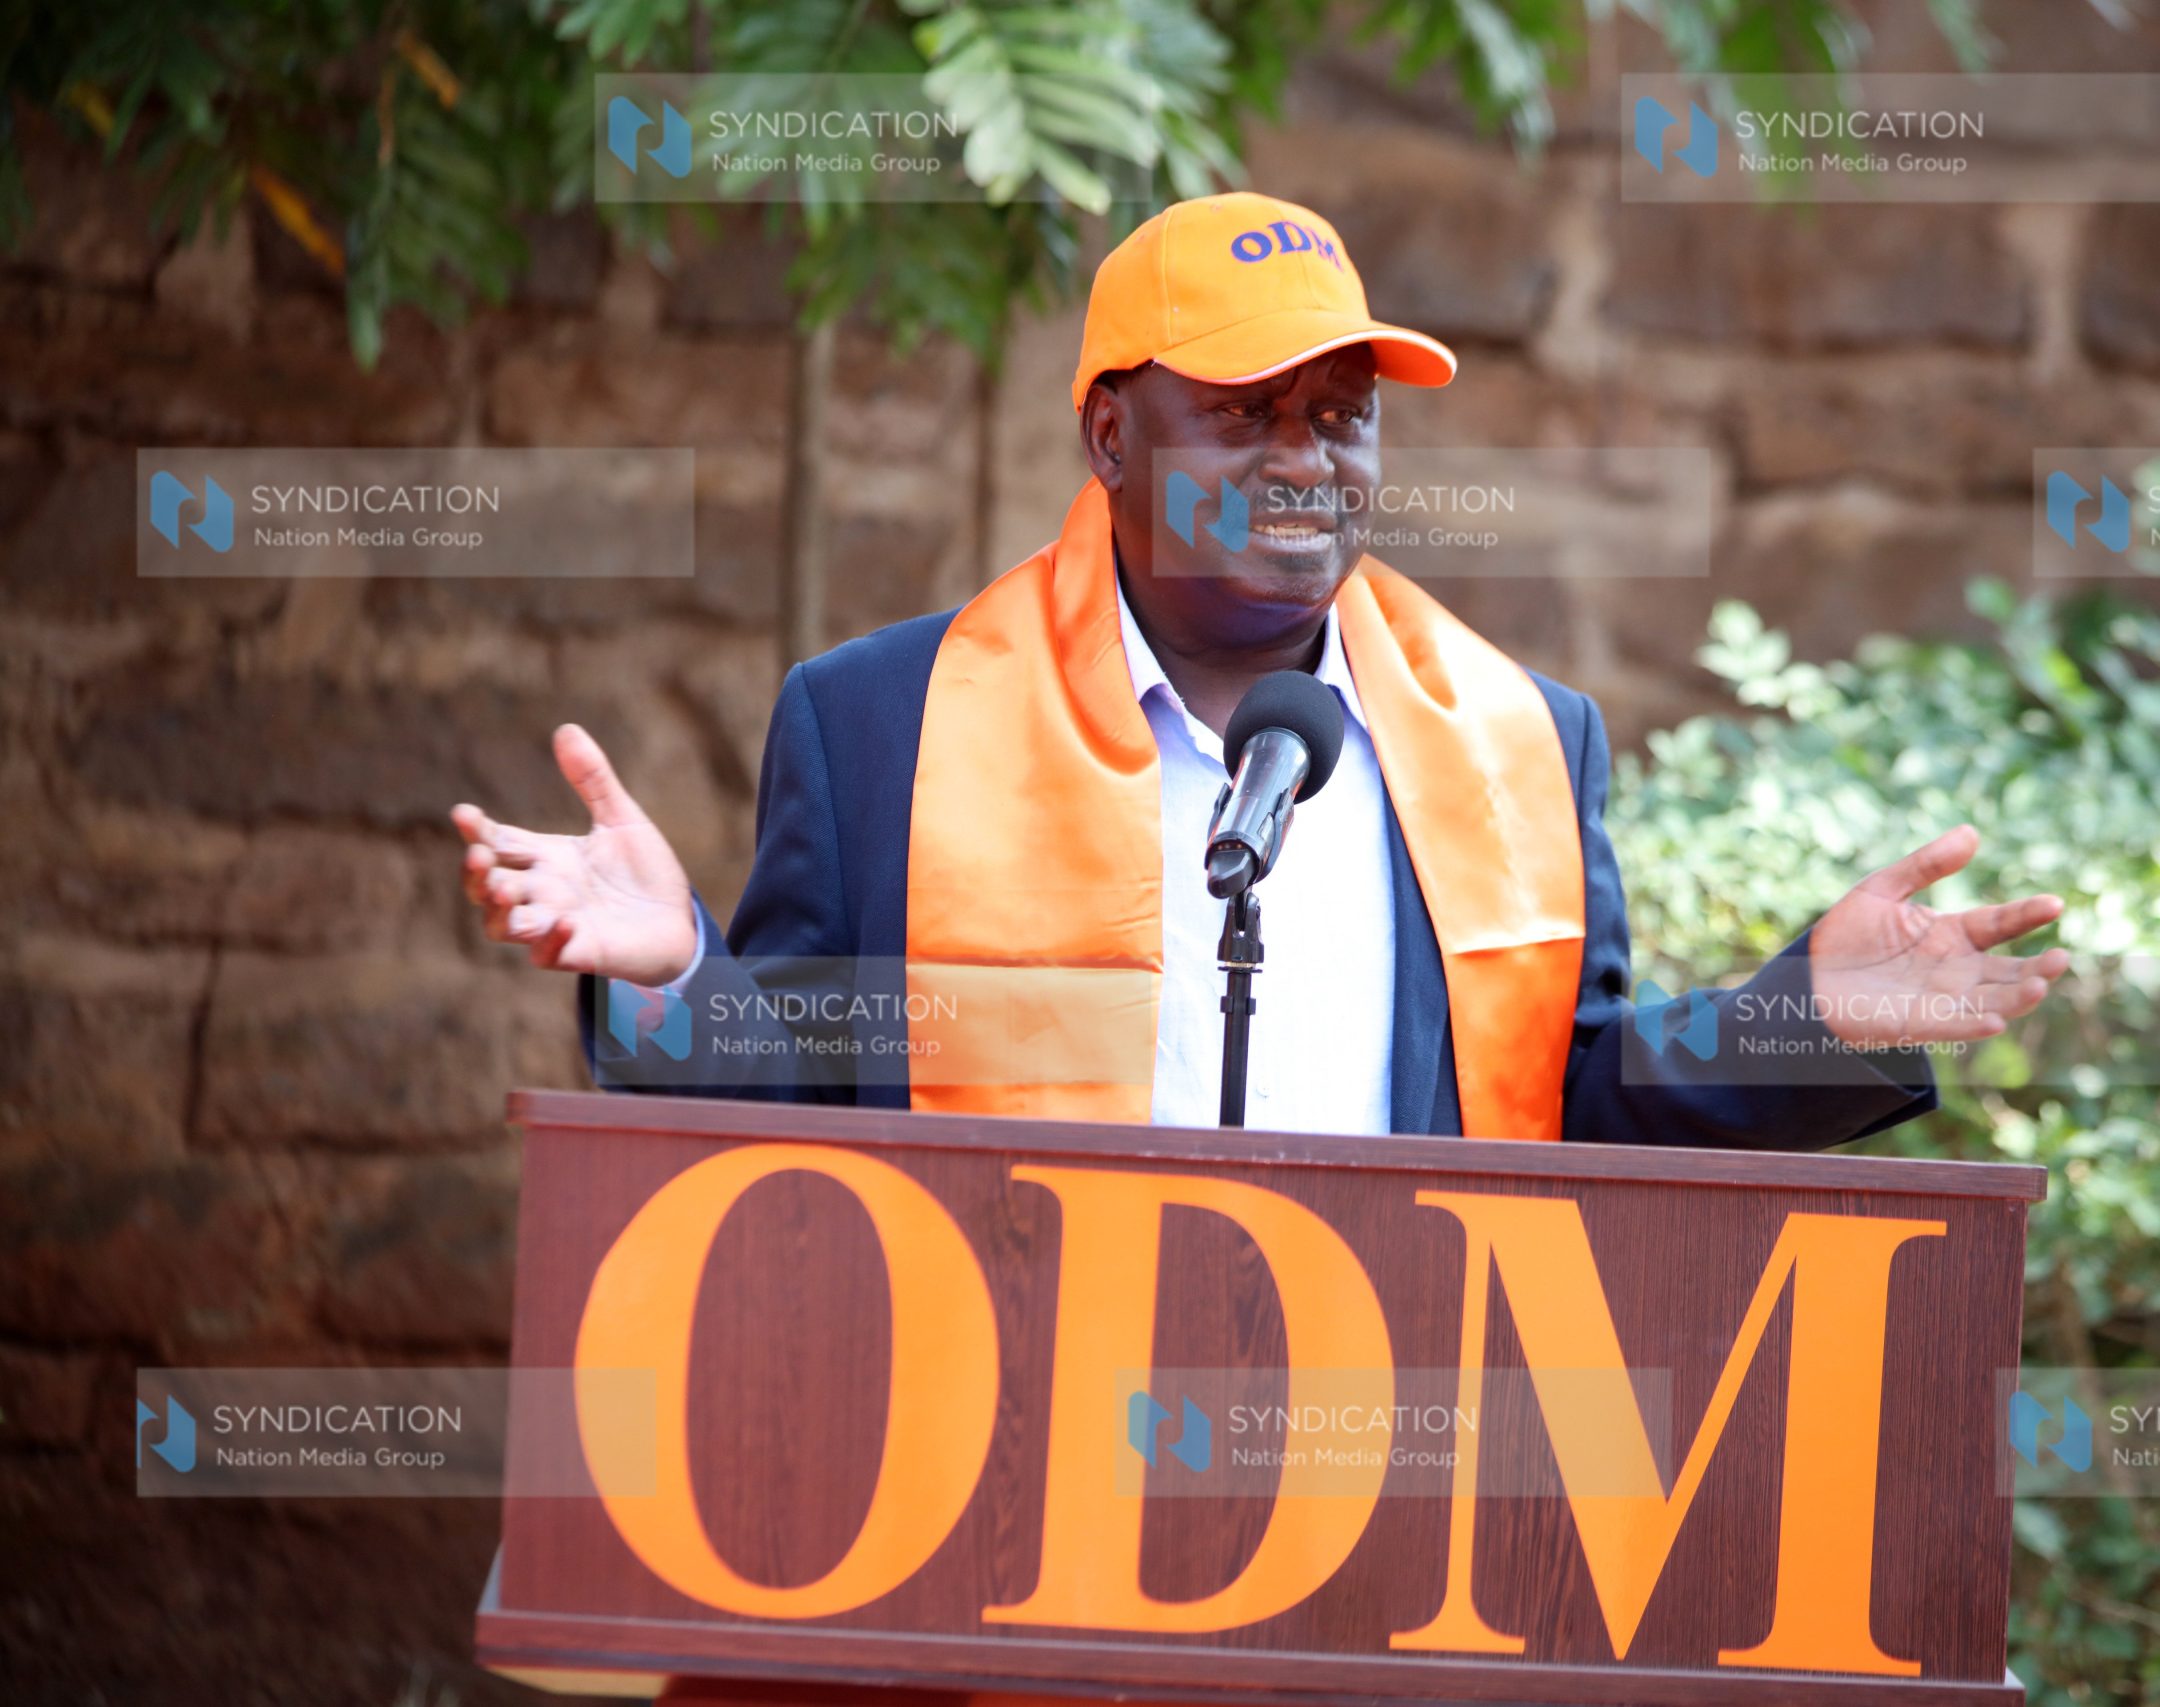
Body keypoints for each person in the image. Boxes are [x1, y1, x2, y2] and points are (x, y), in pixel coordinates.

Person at [453, 191, 2068, 1148]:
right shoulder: (884, 725)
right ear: (1109, 432)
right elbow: (793, 1107)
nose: (1308, 458)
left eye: (1341, 411)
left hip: (1388, 1486)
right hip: (997, 1481)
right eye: (1243, 410)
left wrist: (1808, 1024)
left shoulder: (1520, 741)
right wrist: (672, 979)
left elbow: (1567, 1105)